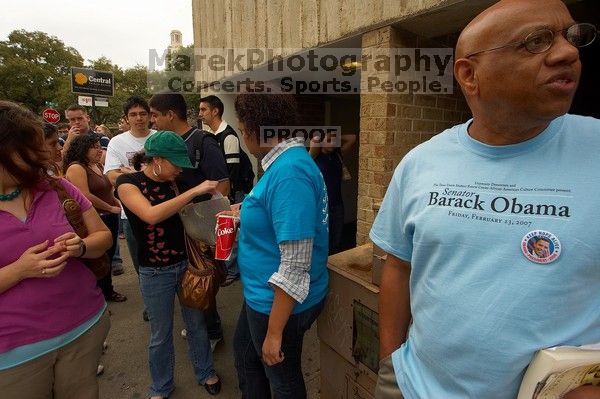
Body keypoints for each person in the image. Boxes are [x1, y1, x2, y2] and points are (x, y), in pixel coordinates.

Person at [370, 1, 600, 398]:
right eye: (536, 42)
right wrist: (391, 362)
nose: (567, 53)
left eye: (570, 36)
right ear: (469, 74)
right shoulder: (420, 163)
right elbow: (398, 266)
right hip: (412, 385)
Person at [0, 100, 112, 398]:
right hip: (15, 354)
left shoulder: (55, 187)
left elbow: (102, 237)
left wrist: (81, 246)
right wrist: (18, 271)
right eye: (31, 149)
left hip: (84, 327)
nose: (46, 156)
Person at [229, 91, 329, 398]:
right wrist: (246, 209)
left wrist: (274, 334)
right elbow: (279, 211)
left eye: (243, 130)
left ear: (255, 131)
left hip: (279, 303)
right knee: (247, 356)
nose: (243, 137)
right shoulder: (284, 163)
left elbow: (295, 265)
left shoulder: (289, 173)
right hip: (261, 293)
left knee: (283, 380)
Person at [116, 131, 221, 398]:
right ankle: (161, 386)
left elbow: (202, 211)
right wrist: (195, 190)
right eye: (175, 163)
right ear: (157, 160)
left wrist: (224, 207)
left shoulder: (179, 181)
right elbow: (151, 215)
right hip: (154, 271)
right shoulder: (129, 183)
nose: (179, 170)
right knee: (160, 334)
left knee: (196, 324)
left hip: (187, 265)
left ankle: (205, 372)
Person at [149, 93, 229, 348]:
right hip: (176, 227)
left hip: (199, 228)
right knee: (189, 280)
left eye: (154, 115)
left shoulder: (204, 142)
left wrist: (206, 227)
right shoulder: (162, 143)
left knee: (203, 277)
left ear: (170, 114)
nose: (152, 121)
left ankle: (213, 331)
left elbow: (223, 187)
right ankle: (199, 326)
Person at [63, 134, 126, 303]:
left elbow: (107, 189)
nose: (99, 150)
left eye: (100, 146)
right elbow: (84, 195)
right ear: (82, 149)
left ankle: (107, 291)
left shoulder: (97, 165)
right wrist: (110, 207)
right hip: (95, 218)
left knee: (108, 255)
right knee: (97, 258)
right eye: (94, 147)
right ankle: (97, 296)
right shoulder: (76, 168)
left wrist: (116, 202)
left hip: (110, 216)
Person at [198, 95, 253, 286]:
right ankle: (229, 267)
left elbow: (232, 171)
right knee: (225, 230)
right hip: (223, 193)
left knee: (233, 232)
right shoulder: (211, 136)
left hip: (232, 193)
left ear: (215, 111)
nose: (200, 114)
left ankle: (233, 270)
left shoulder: (228, 135)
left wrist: (227, 196)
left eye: (204, 109)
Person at [104, 96, 156, 278]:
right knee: (140, 263)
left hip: (162, 207)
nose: (139, 118)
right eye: (133, 114)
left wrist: (128, 175)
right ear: (127, 118)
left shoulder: (160, 138)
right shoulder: (117, 142)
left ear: (150, 116)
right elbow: (111, 176)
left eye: (143, 114)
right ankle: (150, 303)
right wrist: (147, 176)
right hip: (130, 213)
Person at [309, 131, 356, 254]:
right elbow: (315, 139)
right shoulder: (314, 157)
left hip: (337, 204)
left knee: (337, 240)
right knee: (323, 240)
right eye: (329, 140)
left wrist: (336, 136)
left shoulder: (338, 154)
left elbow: (352, 137)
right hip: (322, 206)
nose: (333, 143)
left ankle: (333, 266)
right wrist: (324, 136)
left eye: (335, 141)